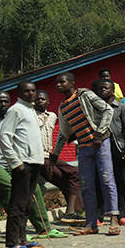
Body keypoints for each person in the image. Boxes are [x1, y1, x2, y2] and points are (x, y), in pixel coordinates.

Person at [0, 91, 58, 244]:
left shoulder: (14, 115)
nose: (3, 105)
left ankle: (43, 228)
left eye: (6, 101)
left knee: (34, 189)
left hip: (13, 161)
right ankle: (16, 233)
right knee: (12, 189)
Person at [53, 72, 121, 236]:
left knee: (106, 180)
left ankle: (114, 218)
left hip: (100, 143)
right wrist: (54, 156)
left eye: (62, 82)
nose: (58, 85)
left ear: (71, 83)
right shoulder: (63, 107)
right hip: (83, 148)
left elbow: (107, 110)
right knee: (86, 185)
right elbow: (63, 133)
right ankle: (91, 223)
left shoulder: (85, 95)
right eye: (57, 83)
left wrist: (99, 133)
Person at [0, 81, 47, 248]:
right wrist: (15, 161)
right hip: (23, 163)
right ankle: (12, 243)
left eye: (33, 90)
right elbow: (5, 137)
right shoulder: (15, 110)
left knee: (27, 204)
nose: (31, 93)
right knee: (18, 204)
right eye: (27, 91)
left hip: (35, 162)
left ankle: (22, 238)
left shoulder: (31, 110)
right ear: (18, 92)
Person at [33, 89, 84, 225]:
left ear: (48, 101)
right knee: (69, 178)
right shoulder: (30, 116)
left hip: (49, 155)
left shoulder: (53, 116)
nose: (40, 101)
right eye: (37, 99)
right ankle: (72, 212)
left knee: (73, 174)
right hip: (37, 157)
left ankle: (73, 212)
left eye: (43, 99)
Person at [97, 79, 125, 225]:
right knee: (100, 182)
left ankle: (122, 215)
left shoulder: (121, 108)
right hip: (100, 148)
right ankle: (99, 216)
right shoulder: (95, 108)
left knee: (120, 182)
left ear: (113, 91)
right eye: (101, 88)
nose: (103, 90)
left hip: (118, 149)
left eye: (106, 88)